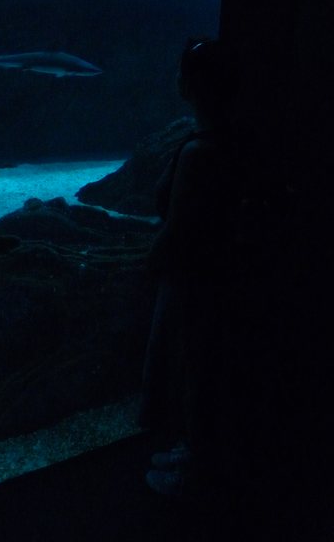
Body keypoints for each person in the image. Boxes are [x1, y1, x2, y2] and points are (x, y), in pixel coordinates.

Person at [138, 37, 240, 498]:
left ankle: (198, 472)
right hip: (223, 269)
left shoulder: (199, 152)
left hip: (193, 277)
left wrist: (144, 265)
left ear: (190, 85)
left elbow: (178, 228)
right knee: (208, 364)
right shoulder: (233, 136)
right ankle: (194, 449)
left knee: (194, 368)